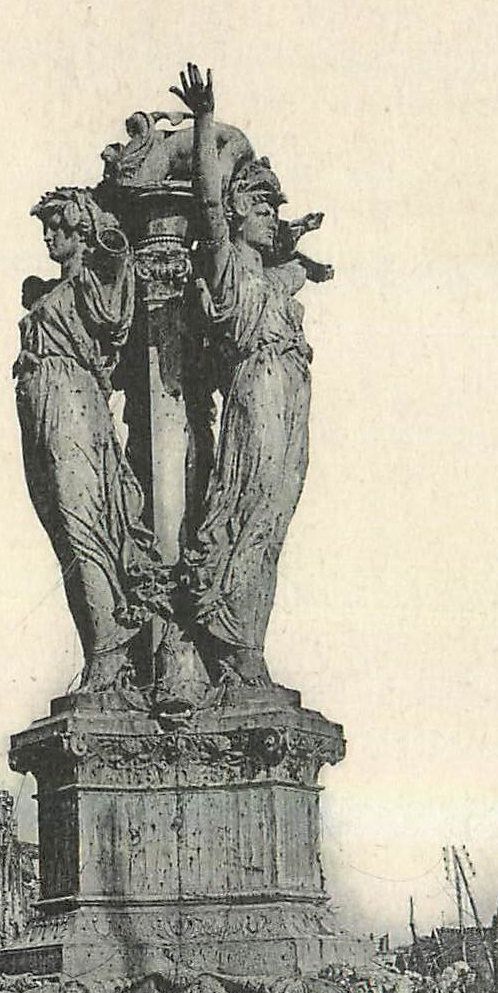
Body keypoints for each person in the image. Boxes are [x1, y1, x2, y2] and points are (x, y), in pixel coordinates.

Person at [169, 64, 328, 686]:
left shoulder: (272, 275)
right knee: (249, 509)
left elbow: (290, 261)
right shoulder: (227, 259)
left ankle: (247, 644)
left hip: (289, 394)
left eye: (275, 208)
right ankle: (232, 644)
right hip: (257, 391)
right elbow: (208, 202)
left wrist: (302, 261)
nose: (271, 215)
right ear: (236, 211)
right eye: (260, 204)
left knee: (274, 519)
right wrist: (206, 121)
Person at [15, 187, 168, 692]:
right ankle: (99, 647)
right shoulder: (53, 291)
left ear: (80, 228)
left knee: (86, 526)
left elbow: (116, 293)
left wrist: (109, 246)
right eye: (46, 227)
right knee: (64, 529)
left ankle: (110, 652)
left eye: (58, 226)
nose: (49, 235)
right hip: (43, 411)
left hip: (74, 408)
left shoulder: (89, 284)